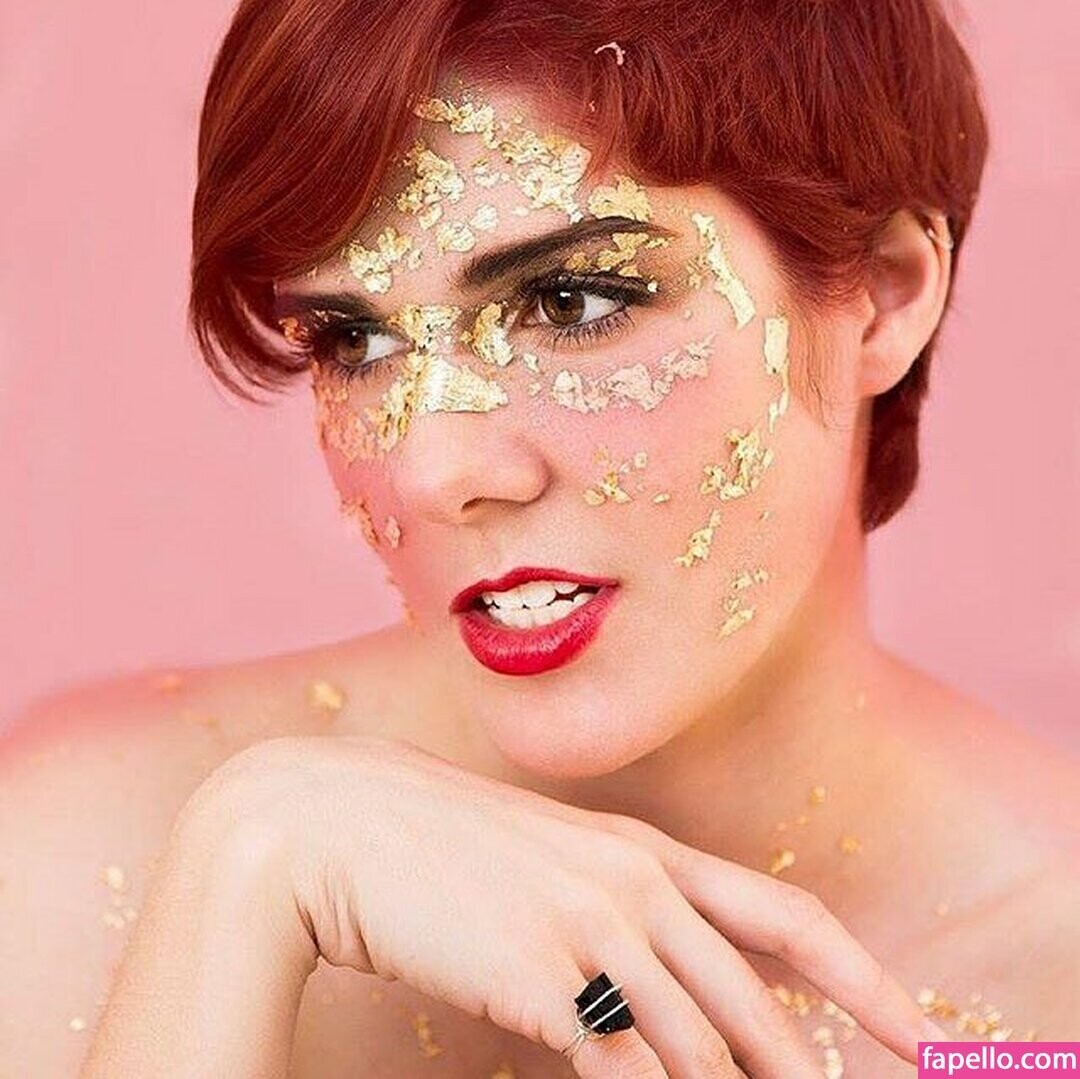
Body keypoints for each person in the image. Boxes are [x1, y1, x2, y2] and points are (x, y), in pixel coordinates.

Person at [2, 0, 1076, 1076]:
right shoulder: (102, 856)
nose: (433, 472)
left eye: (571, 302)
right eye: (354, 339)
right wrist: (254, 865)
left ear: (885, 293)